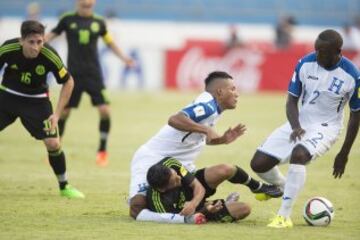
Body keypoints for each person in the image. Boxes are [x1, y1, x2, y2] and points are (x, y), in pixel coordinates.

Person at [129, 71, 283, 222]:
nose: (237, 94)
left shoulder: (214, 109)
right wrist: (206, 129)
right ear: (220, 91)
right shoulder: (208, 106)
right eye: (233, 89)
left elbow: (200, 137)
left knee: (225, 170)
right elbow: (175, 119)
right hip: (153, 160)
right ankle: (197, 213)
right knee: (137, 207)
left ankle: (255, 188)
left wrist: (221, 139)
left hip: (181, 167)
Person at [250, 29, 360, 228]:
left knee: (299, 155)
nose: (317, 54)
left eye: (323, 52)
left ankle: (284, 216)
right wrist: (296, 126)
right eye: (316, 49)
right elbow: (292, 100)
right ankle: (284, 187)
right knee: (258, 164)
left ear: (338, 51)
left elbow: (356, 115)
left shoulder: (352, 75)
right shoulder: (305, 63)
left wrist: (344, 153)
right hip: (300, 123)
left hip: (327, 127)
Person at [0, 20, 84, 199]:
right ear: (21, 40)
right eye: (31, 42)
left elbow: (68, 81)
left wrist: (57, 114)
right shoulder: (8, 48)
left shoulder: (49, 55)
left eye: (40, 42)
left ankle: (64, 186)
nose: (36, 47)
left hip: (36, 101)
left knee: (53, 143)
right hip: (7, 96)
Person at [46, 0, 134, 167]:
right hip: (73, 75)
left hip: (94, 74)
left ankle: (102, 150)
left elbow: (110, 43)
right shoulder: (67, 19)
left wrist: (124, 58)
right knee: (64, 112)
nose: (87, 3)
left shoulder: (99, 22)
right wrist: (38, 44)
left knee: (105, 111)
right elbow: (51, 35)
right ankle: (56, 147)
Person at [145, 157, 254, 224]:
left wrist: (193, 203)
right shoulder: (157, 202)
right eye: (174, 181)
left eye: (176, 174)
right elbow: (182, 220)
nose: (179, 177)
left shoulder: (169, 163)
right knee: (245, 208)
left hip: (192, 194)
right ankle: (223, 204)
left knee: (224, 169)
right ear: (162, 189)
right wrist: (206, 210)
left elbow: (198, 187)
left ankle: (256, 187)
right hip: (193, 212)